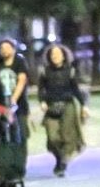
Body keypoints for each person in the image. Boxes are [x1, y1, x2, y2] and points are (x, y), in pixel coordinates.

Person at [37, 43, 89, 177]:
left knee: (68, 136)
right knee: (53, 137)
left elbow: (76, 90)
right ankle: (59, 158)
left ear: (64, 56)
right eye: (53, 54)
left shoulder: (70, 71)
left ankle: (63, 163)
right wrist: (42, 101)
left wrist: (84, 105)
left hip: (68, 105)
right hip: (51, 107)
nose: (55, 56)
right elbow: (41, 89)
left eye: (58, 54)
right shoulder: (44, 71)